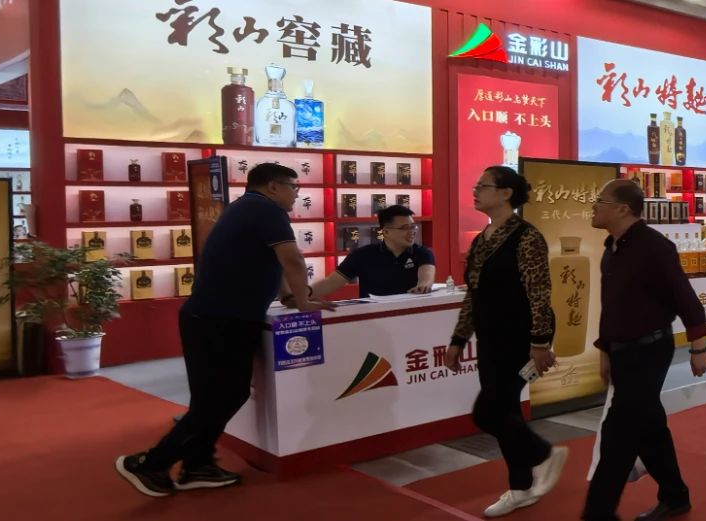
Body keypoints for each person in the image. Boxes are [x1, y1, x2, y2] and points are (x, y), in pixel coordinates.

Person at [116, 163, 334, 497]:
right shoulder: (267, 210)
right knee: (224, 396)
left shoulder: (246, 208)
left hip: (208, 317)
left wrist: (287, 295)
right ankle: (151, 463)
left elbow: (270, 262)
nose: (296, 194)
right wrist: (304, 300)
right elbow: (291, 258)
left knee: (212, 398)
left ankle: (198, 465)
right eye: (294, 187)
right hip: (223, 319)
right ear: (273, 186)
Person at [583, 179, 706, 521]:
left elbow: (684, 296)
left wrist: (699, 346)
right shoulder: (611, 247)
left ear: (622, 209)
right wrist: (606, 350)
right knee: (649, 427)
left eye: (600, 201)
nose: (593, 207)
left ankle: (598, 513)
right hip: (622, 351)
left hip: (650, 350)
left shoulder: (655, 247)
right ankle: (675, 495)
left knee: (618, 431)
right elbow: (612, 307)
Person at [444, 166, 567, 518]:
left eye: (483, 186)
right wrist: (458, 339)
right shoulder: (482, 240)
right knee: (506, 412)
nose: (475, 190)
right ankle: (521, 488)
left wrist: (540, 343)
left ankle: (544, 454)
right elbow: (474, 296)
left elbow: (539, 294)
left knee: (488, 412)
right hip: (490, 338)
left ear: (505, 193)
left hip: (520, 339)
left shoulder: (527, 237)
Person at [293, 205, 435, 300]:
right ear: (386, 232)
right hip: (372, 318)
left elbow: (427, 274)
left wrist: (423, 285)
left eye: (413, 227)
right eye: (405, 228)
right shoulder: (362, 255)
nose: (412, 232)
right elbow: (331, 282)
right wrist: (302, 296)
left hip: (411, 314)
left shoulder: (422, 253)